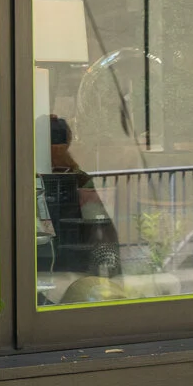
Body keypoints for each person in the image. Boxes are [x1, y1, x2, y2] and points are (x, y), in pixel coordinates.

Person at [41, 114, 119, 278]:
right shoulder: (80, 177)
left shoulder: (27, 178)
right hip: (75, 258)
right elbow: (97, 222)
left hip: (40, 258)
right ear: (68, 142)